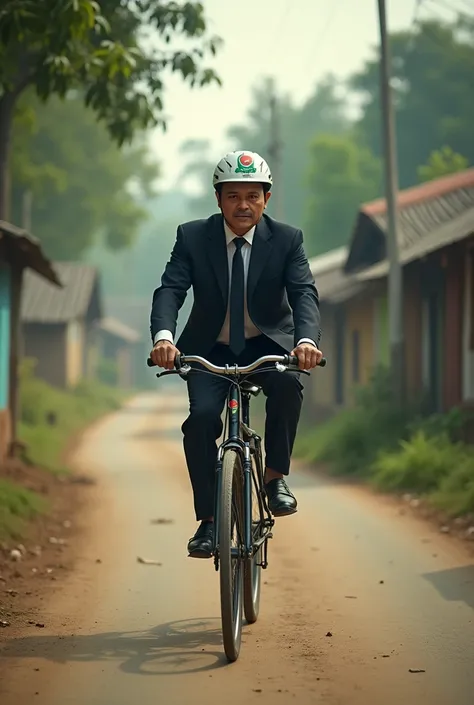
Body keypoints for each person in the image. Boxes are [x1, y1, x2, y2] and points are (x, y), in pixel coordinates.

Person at [149, 150, 322, 558]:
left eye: (252, 195)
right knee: (202, 421)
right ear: (218, 199)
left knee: (286, 384)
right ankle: (208, 523)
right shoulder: (193, 237)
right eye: (232, 196)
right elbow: (171, 289)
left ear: (267, 198)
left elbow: (303, 293)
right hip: (208, 349)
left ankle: (275, 477)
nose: (242, 205)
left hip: (267, 344)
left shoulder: (287, 239)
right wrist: (164, 337)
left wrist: (306, 341)